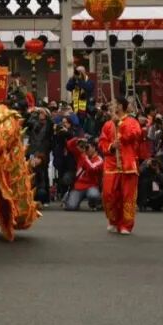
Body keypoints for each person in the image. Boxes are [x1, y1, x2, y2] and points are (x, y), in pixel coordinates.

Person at [98, 98, 141, 235]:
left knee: (127, 195)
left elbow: (135, 135)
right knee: (108, 194)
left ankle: (126, 225)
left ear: (120, 106)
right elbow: (102, 143)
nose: (111, 106)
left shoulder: (132, 122)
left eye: (114, 104)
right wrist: (111, 147)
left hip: (128, 164)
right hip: (111, 165)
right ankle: (113, 220)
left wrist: (120, 126)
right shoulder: (107, 125)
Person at [63, 137, 103, 211]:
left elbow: (92, 168)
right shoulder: (80, 155)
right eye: (85, 147)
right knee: (71, 207)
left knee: (93, 195)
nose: (86, 149)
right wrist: (78, 140)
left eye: (88, 147)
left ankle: (94, 204)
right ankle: (69, 198)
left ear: (94, 148)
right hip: (79, 186)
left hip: (91, 186)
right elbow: (69, 145)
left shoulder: (99, 160)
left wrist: (85, 156)